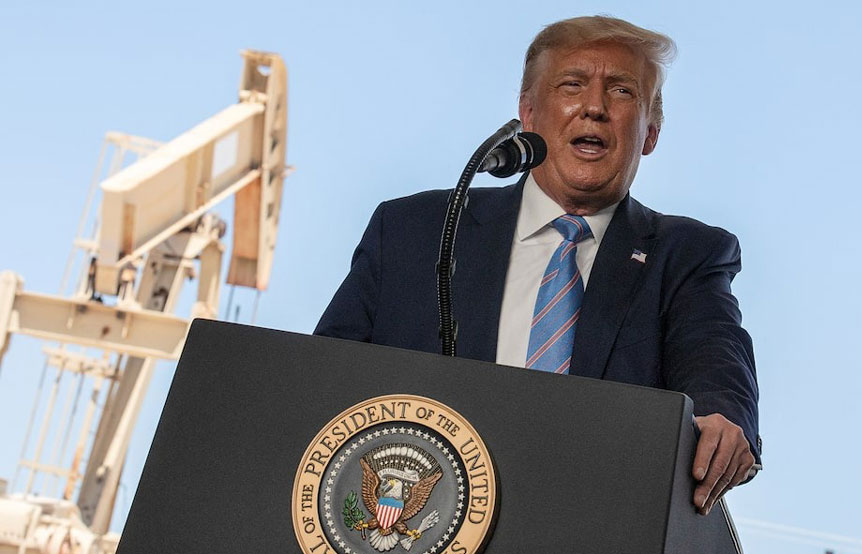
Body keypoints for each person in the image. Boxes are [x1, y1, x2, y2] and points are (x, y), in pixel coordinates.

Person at [315, 15, 760, 516]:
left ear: (650, 132)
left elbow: (715, 353)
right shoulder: (413, 230)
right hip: (410, 530)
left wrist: (721, 413)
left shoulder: (686, 255)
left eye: (621, 92)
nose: (594, 107)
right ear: (528, 113)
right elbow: (324, 381)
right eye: (572, 85)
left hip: (584, 532)